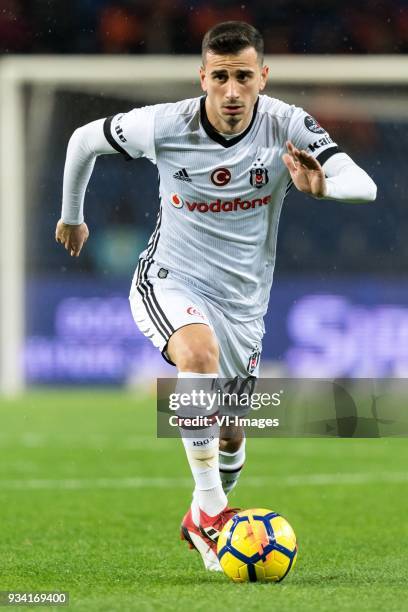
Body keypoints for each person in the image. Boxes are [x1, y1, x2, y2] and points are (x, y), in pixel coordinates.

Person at [56, 21, 377, 571]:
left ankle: (205, 504)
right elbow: (83, 140)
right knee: (197, 355)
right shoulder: (164, 124)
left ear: (263, 78)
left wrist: (322, 185)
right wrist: (72, 217)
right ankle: (210, 512)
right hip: (170, 278)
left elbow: (365, 185)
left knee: (230, 433)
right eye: (221, 77)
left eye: (244, 78)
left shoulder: (287, 125)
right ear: (202, 76)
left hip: (244, 302)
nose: (232, 91)